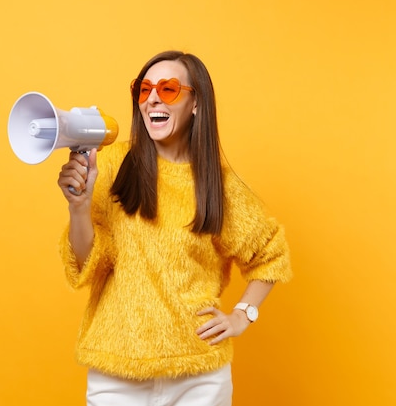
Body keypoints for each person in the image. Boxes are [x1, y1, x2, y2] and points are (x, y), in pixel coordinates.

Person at [56, 51, 292, 406]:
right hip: (116, 373)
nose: (152, 98)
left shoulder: (218, 187)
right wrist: (79, 207)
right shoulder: (109, 165)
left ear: (196, 102)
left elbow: (270, 257)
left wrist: (243, 314)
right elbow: (87, 265)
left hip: (198, 377)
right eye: (144, 88)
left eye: (168, 89)